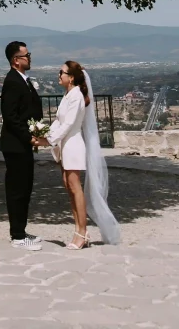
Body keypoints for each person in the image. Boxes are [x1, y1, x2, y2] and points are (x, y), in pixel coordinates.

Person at [45, 59, 121, 249]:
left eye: (61, 72)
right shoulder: (68, 95)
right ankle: (80, 229)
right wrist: (45, 134)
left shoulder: (76, 96)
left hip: (73, 145)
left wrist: (49, 140)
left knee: (75, 187)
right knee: (70, 187)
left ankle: (81, 231)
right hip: (65, 145)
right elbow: (58, 121)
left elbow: (69, 124)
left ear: (70, 78)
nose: (58, 75)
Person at [0, 41, 44, 250]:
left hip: (21, 144)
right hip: (15, 145)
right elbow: (11, 116)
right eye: (26, 55)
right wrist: (29, 137)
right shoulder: (13, 82)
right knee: (18, 189)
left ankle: (21, 230)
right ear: (16, 60)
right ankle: (17, 235)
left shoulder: (22, 80)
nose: (30, 58)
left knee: (25, 188)